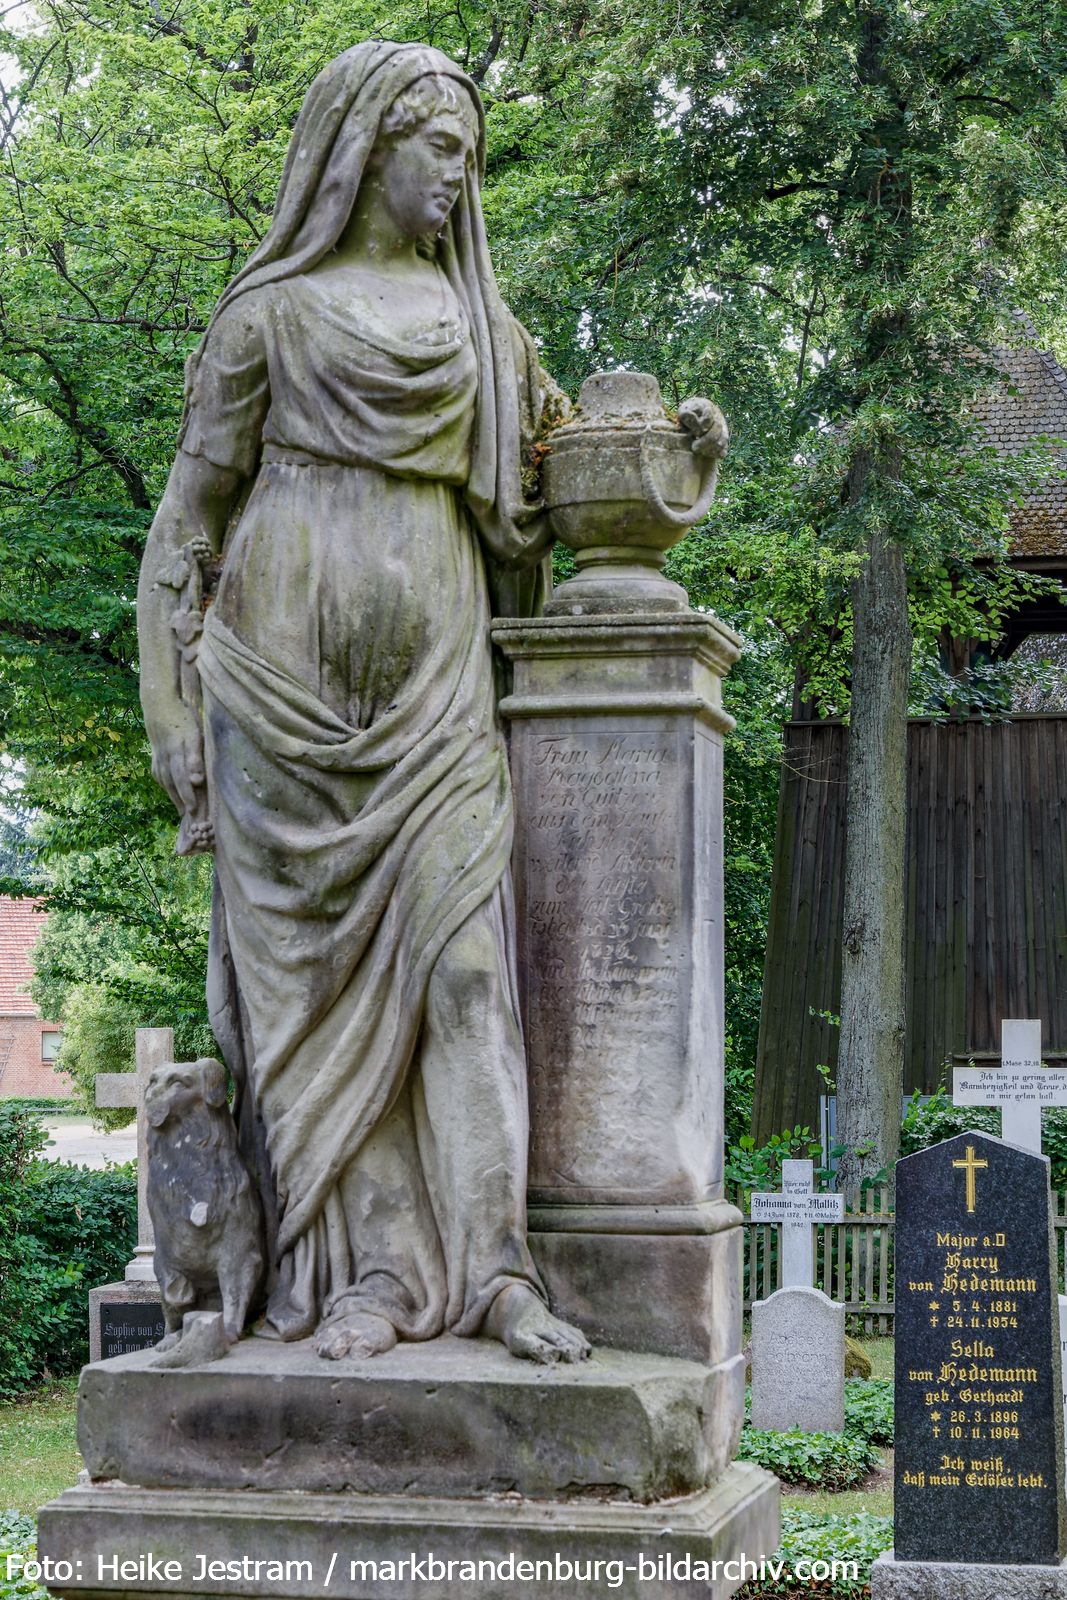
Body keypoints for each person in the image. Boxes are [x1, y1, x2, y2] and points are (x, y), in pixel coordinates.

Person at [137, 40, 590, 1365]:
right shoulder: (266, 319)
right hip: (274, 710)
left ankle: (500, 1275)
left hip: (436, 706)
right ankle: (372, 1280)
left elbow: (571, 479)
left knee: (459, 974)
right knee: (313, 1017)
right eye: (442, 147)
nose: (464, 176)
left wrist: (667, 459)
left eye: (472, 154)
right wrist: (172, 717)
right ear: (367, 146)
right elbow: (184, 526)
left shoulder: (487, 335)